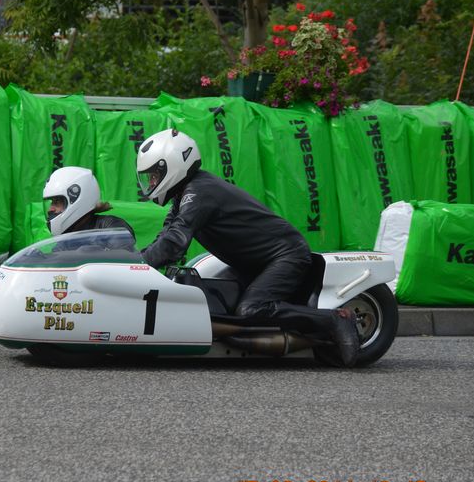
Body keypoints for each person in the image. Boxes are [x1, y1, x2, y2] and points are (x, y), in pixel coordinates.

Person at [136, 129, 360, 368]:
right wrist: (136, 260)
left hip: (286, 255)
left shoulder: (200, 193)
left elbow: (174, 245)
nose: (151, 183)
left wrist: (137, 267)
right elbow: (167, 236)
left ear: (173, 165)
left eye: (154, 175)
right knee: (215, 299)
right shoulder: (185, 195)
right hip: (255, 263)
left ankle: (335, 319)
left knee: (250, 309)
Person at [43, 166, 135, 239]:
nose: (50, 209)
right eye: (52, 202)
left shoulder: (111, 228)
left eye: (57, 202)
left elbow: (120, 255)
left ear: (76, 198)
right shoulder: (65, 238)